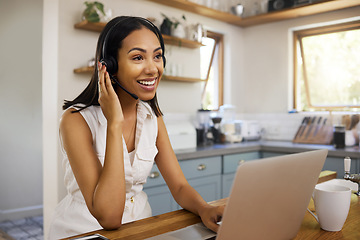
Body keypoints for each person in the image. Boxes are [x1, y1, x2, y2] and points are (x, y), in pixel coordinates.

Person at [48, 16, 224, 239]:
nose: (152, 69)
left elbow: (179, 186)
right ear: (109, 65)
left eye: (157, 56)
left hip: (140, 229)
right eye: (138, 57)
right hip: (85, 232)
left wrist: (204, 208)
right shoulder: (75, 120)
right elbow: (109, 218)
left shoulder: (152, 118)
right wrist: (115, 123)